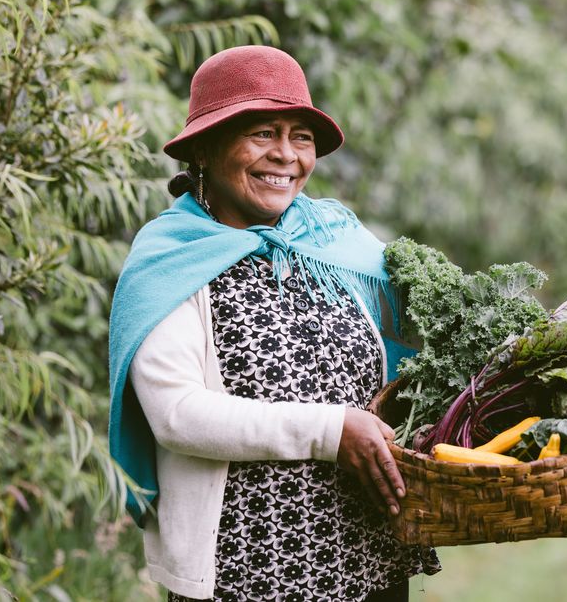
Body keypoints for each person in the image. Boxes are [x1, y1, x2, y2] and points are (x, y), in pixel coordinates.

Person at [108, 45, 440, 602]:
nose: (286, 155)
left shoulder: (336, 241)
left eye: (301, 137)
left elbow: (415, 353)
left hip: (371, 562)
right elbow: (177, 414)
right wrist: (331, 432)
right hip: (246, 570)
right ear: (206, 149)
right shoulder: (170, 257)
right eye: (262, 133)